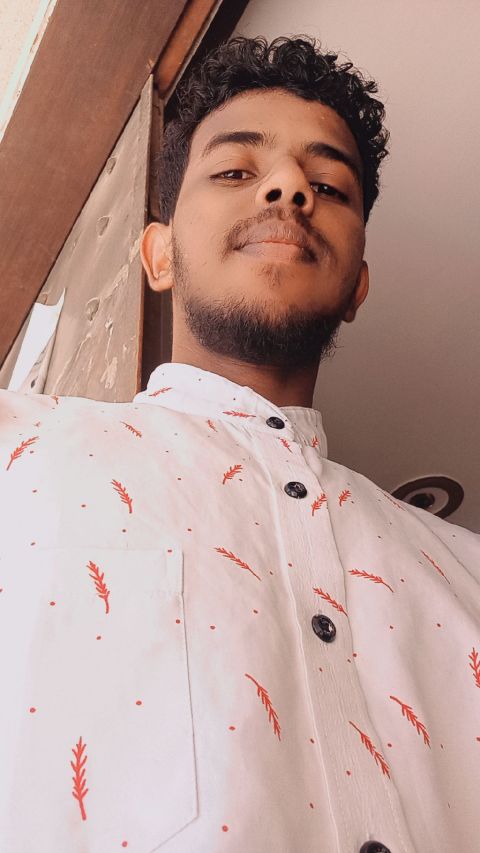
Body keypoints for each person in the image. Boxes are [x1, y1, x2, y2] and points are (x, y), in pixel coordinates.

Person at [0, 35, 478, 853]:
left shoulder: (466, 568)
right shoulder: (22, 451)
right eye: (234, 171)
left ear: (358, 285)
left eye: (329, 185)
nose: (290, 188)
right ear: (158, 253)